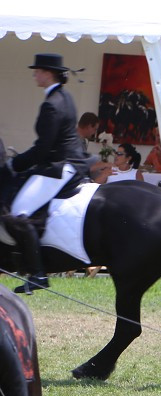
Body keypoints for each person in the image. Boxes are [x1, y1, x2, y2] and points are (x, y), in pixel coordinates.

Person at [4, 53, 90, 295]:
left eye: (37, 71)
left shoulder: (51, 104)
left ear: (48, 73)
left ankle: (38, 274)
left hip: (60, 166)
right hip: (66, 161)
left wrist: (15, 164)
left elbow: (43, 147)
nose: (34, 75)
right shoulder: (65, 97)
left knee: (19, 214)